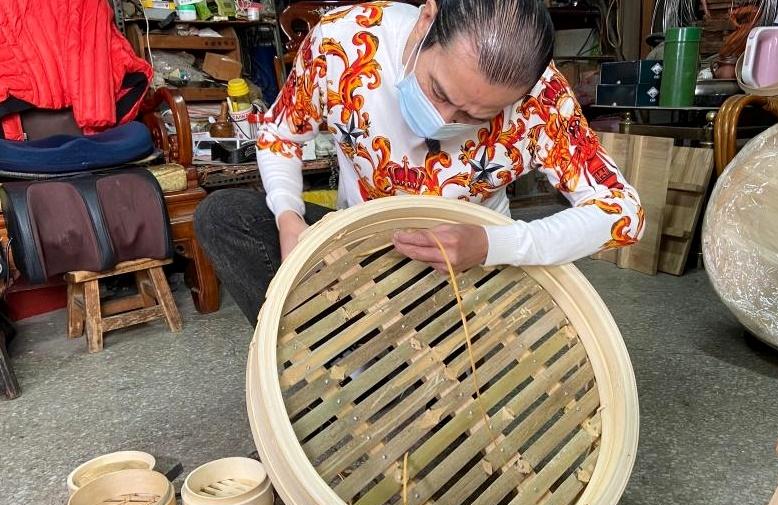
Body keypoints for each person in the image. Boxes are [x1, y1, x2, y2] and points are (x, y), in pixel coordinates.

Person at [195, 0, 643, 326]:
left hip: (464, 271)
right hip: (360, 248)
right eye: (440, 92)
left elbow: (623, 213)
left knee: (436, 423)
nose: (443, 122)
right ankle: (303, 356)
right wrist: (289, 217)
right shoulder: (345, 43)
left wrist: (493, 245)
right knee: (224, 217)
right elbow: (278, 133)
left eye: (476, 116)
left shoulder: (543, 102)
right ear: (426, 20)